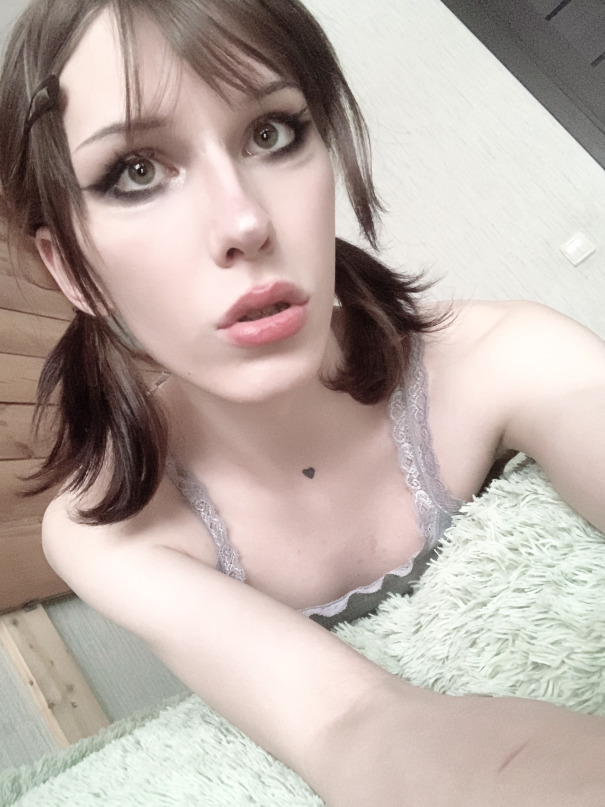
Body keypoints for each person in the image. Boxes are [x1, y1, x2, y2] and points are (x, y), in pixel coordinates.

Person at [1, 0, 605, 803]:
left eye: (271, 132)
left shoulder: (507, 353)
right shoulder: (106, 528)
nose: (244, 221)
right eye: (136, 171)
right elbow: (351, 724)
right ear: (70, 266)